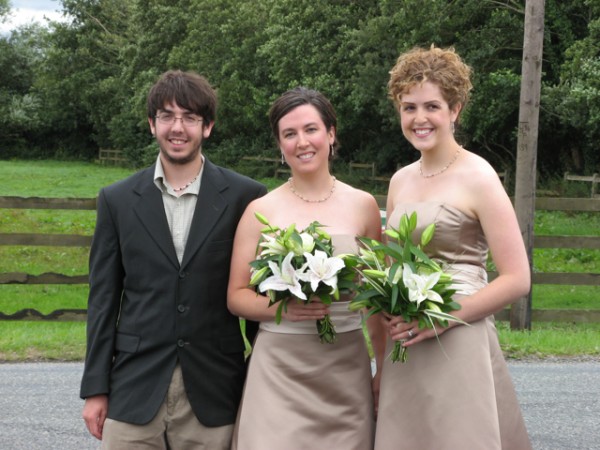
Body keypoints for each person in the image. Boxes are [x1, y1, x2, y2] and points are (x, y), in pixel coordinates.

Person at [80, 70, 267, 449]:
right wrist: (95, 389)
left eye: (190, 118)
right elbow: (102, 301)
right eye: (166, 116)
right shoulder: (116, 200)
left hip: (215, 389)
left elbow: (254, 295)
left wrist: (260, 383)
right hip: (134, 388)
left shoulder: (246, 197)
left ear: (208, 126)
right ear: (152, 124)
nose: (177, 127)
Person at [375, 46, 532, 450]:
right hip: (406, 338)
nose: (419, 118)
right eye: (408, 107)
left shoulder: (478, 176)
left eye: (432, 105)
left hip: (459, 334)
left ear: (455, 109)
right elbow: (392, 264)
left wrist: (441, 318)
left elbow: (517, 279)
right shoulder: (400, 181)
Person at [227, 87, 384, 450]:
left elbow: (376, 298)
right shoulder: (260, 210)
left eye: (311, 129)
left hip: (345, 367)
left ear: (331, 134)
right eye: (289, 134)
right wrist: (283, 306)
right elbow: (235, 296)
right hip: (279, 370)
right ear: (280, 145)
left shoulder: (364, 206)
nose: (302, 142)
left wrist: (384, 368)